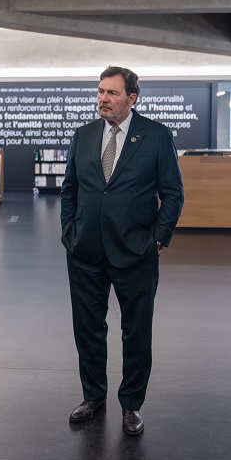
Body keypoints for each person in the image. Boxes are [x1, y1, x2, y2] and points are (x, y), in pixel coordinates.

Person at [60, 65, 184, 436]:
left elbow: (173, 194)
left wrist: (157, 240)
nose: (103, 98)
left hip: (136, 251)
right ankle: (93, 396)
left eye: (112, 93)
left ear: (131, 98)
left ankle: (131, 404)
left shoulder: (156, 136)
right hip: (85, 250)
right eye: (100, 91)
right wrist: (70, 232)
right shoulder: (83, 136)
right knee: (88, 329)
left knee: (136, 331)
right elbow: (70, 190)